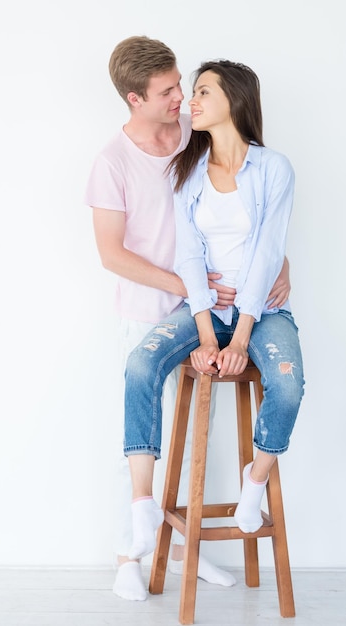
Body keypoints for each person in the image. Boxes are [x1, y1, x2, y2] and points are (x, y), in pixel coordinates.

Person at [85, 37, 291, 601]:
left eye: (183, 85)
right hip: (155, 307)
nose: (180, 97)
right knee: (141, 428)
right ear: (135, 98)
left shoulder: (193, 134)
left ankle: (182, 551)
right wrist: (188, 286)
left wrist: (280, 263)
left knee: (191, 437)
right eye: (167, 91)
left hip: (215, 307)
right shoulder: (113, 162)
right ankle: (131, 552)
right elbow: (111, 254)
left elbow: (249, 213)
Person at [124, 58, 305, 563]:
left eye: (204, 92)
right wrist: (206, 333)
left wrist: (241, 336)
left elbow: (270, 251)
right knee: (140, 363)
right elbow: (188, 255)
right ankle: (143, 505)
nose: (192, 101)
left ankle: (256, 479)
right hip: (202, 307)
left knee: (289, 384)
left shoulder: (274, 168)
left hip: (262, 311)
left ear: (236, 101)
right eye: (193, 92)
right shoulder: (188, 170)